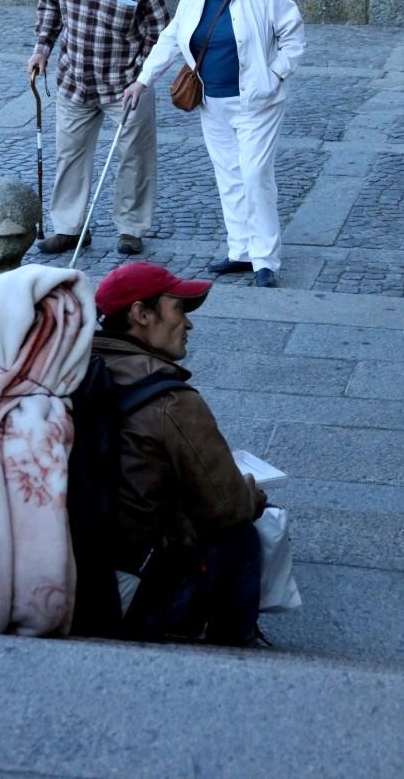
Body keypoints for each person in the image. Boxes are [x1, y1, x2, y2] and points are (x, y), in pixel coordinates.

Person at [92, 261, 268, 646]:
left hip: (69, 570)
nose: (188, 324)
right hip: (125, 594)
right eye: (179, 309)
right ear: (141, 313)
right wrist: (250, 493)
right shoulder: (172, 402)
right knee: (240, 538)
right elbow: (229, 508)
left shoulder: (77, 369)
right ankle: (234, 649)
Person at [123, 0, 305, 287]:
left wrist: (275, 75)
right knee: (229, 177)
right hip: (211, 100)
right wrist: (144, 79)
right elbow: (173, 37)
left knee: (254, 175)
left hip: (257, 102)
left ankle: (265, 259)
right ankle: (240, 250)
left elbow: (294, 35)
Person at [28, 0, 169, 257]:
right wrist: (42, 47)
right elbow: (50, 6)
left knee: (134, 155)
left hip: (124, 81)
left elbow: (159, 27)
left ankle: (130, 228)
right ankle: (69, 228)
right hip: (75, 77)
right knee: (69, 154)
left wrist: (143, 75)